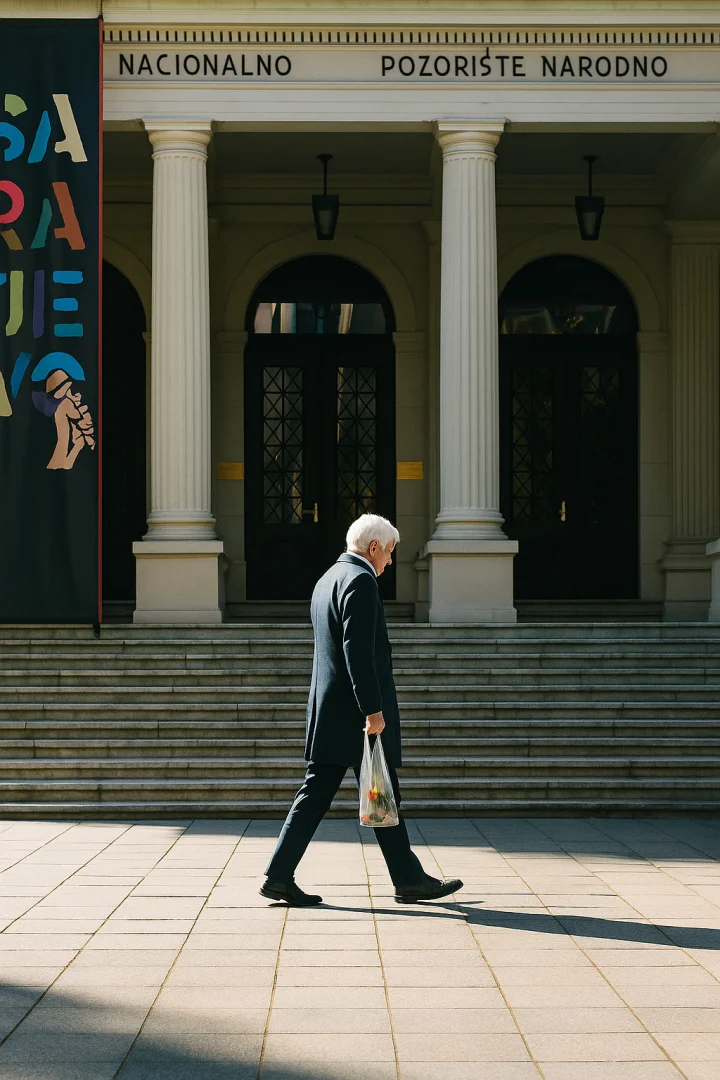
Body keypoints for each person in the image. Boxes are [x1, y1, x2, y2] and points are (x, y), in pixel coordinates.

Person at [261, 513, 463, 907]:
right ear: (374, 548)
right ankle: (407, 879)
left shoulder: (328, 579)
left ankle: (281, 876)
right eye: (389, 553)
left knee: (353, 792)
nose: (389, 562)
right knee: (378, 790)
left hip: (331, 712)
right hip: (356, 716)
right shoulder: (360, 581)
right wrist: (373, 710)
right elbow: (358, 654)